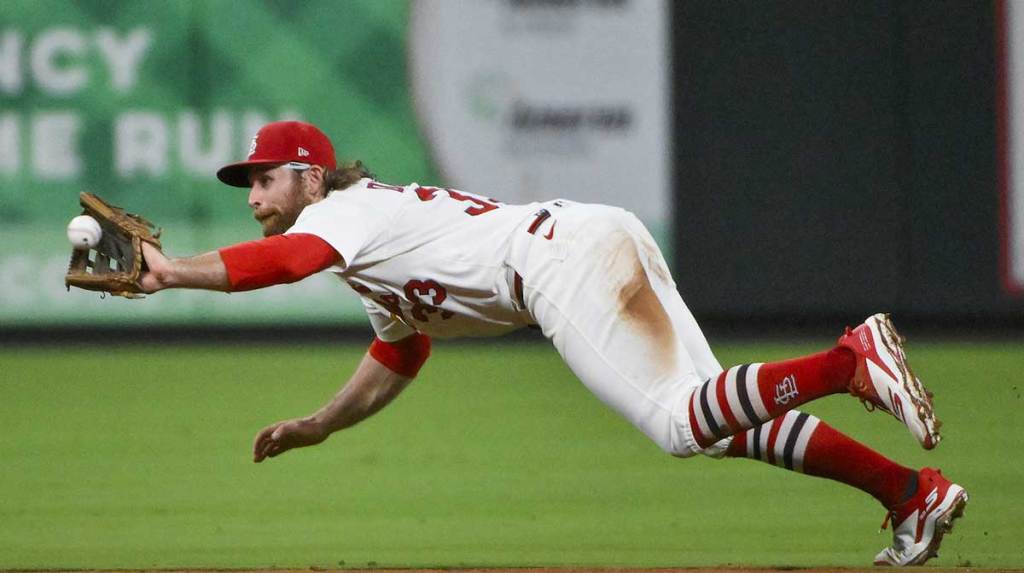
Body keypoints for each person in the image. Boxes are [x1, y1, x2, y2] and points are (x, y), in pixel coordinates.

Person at [138, 121, 967, 566]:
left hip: (558, 263)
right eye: (247, 181)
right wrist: (319, 423)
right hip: (591, 233)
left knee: (680, 426)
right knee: (724, 420)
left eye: (264, 175)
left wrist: (172, 272)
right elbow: (402, 352)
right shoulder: (365, 245)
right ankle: (910, 495)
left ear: (311, 176)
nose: (253, 192)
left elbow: (285, 262)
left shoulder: (340, 214)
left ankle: (848, 358)